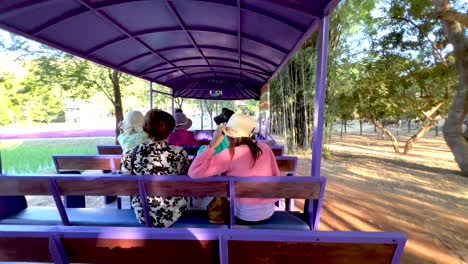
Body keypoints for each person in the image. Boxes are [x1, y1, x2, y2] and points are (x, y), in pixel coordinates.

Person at [188, 113, 280, 224]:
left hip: (242, 216)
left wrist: (213, 143)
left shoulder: (230, 154)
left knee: (205, 203)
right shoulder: (265, 148)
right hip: (268, 212)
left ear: (227, 134)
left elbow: (194, 172)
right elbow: (276, 174)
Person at [121, 109, 190, 227]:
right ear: (170, 131)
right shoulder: (179, 152)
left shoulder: (130, 153)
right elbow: (186, 177)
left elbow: (125, 178)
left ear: (145, 128)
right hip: (174, 210)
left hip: (143, 212)